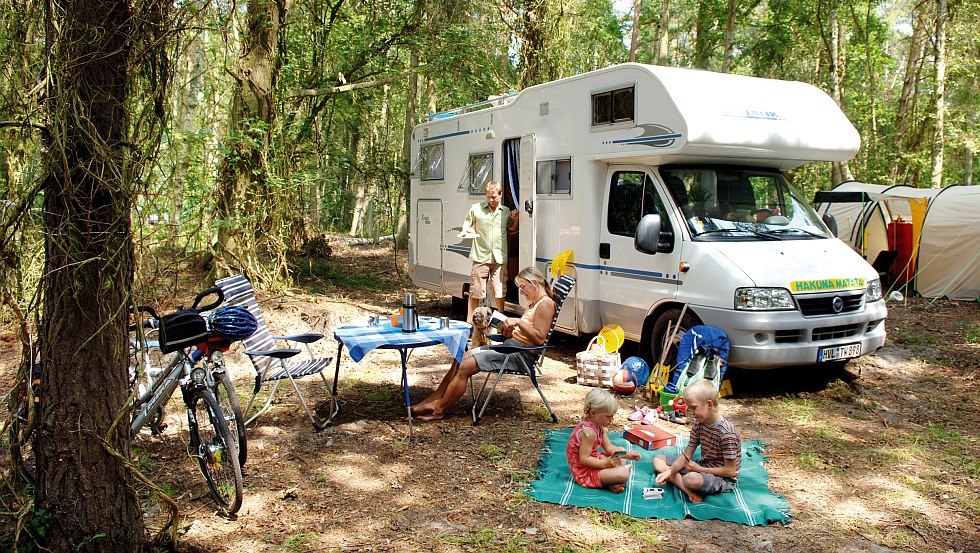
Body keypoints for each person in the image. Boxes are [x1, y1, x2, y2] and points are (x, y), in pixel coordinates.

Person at [412, 267, 555, 421]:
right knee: (461, 356)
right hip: (511, 346)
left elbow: (539, 339)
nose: (521, 292)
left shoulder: (545, 304)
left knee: (464, 367)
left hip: (519, 355)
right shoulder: (534, 302)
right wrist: (509, 330)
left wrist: (519, 322)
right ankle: (432, 400)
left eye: (522, 287)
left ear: (533, 283)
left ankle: (438, 409)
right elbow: (528, 333)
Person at [653, 378, 741, 503]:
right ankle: (687, 490)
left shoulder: (727, 433)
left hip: (722, 477)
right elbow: (687, 454)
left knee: (691, 479)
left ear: (709, 405)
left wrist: (699, 469)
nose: (691, 413)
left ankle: (681, 481)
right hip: (703, 465)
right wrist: (670, 471)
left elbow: (730, 471)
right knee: (658, 460)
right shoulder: (699, 423)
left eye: (694, 408)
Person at [462, 180, 518, 323]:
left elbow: (511, 228)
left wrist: (516, 219)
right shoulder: (476, 209)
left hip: (499, 258)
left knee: (500, 291)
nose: (491, 200)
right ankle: (469, 325)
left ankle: (501, 322)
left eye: (494, 197)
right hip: (480, 257)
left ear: (500, 195)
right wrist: (467, 230)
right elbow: (467, 224)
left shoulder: (505, 212)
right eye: (488, 197)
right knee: (476, 292)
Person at [566, 387, 642, 493]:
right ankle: (611, 480)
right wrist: (605, 464)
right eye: (608, 417)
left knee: (620, 450)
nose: (611, 420)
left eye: (612, 416)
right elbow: (584, 459)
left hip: (596, 461)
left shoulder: (598, 426)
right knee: (623, 473)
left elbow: (609, 447)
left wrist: (627, 455)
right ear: (593, 414)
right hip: (585, 472)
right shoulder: (589, 433)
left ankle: (611, 480)